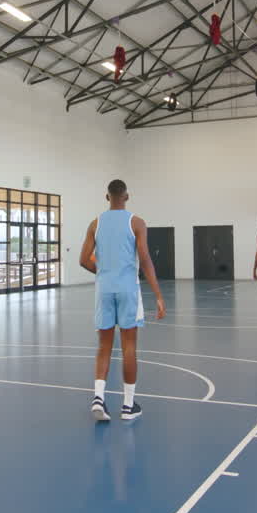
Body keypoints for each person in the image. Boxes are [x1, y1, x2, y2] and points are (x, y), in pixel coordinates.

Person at [79, 179, 166, 422]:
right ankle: (128, 406)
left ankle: (99, 398)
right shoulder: (136, 222)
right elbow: (146, 259)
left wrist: (105, 272)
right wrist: (158, 296)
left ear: (107, 197)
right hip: (128, 289)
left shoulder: (95, 223)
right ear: (126, 196)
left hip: (104, 289)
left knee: (104, 346)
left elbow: (84, 260)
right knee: (129, 346)